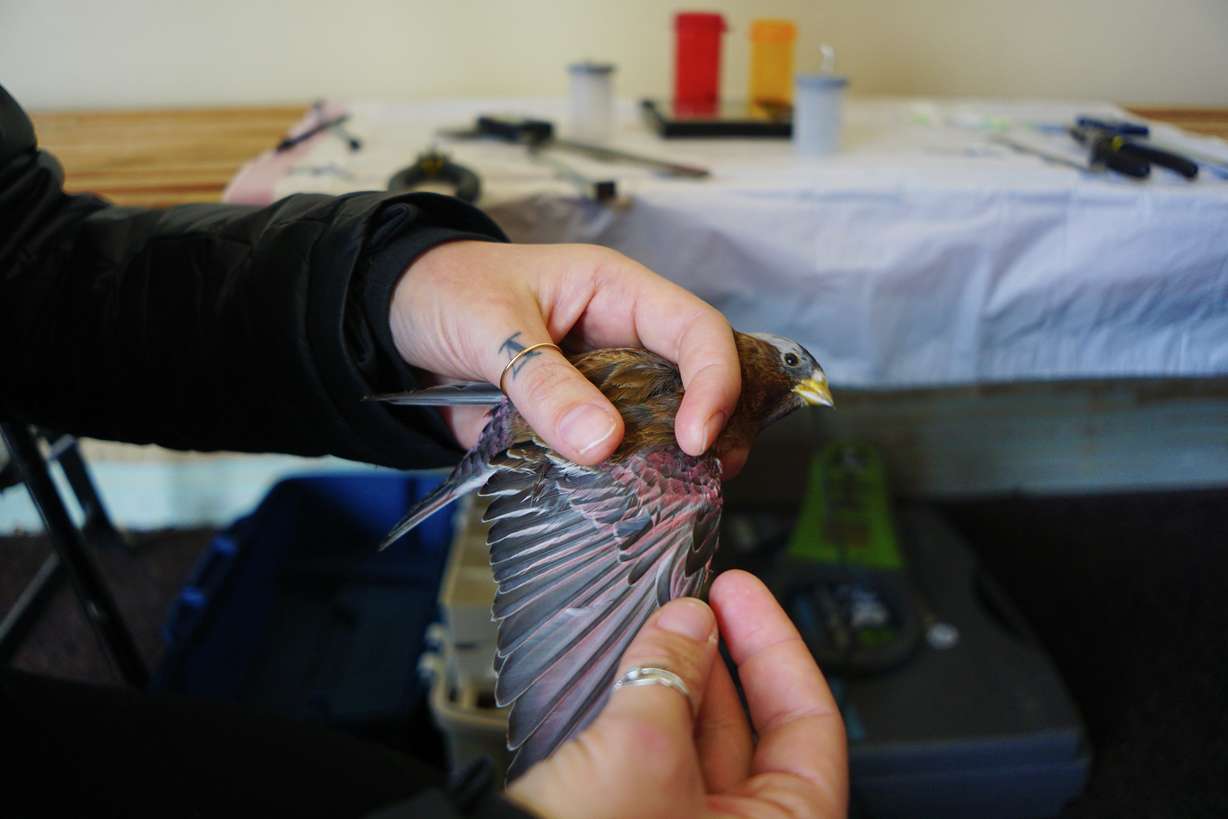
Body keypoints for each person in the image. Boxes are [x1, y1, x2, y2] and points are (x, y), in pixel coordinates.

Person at [1, 83, 847, 817]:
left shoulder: (699, 427)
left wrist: (392, 286)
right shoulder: (688, 465)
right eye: (798, 368)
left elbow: (36, 265)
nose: (807, 384)